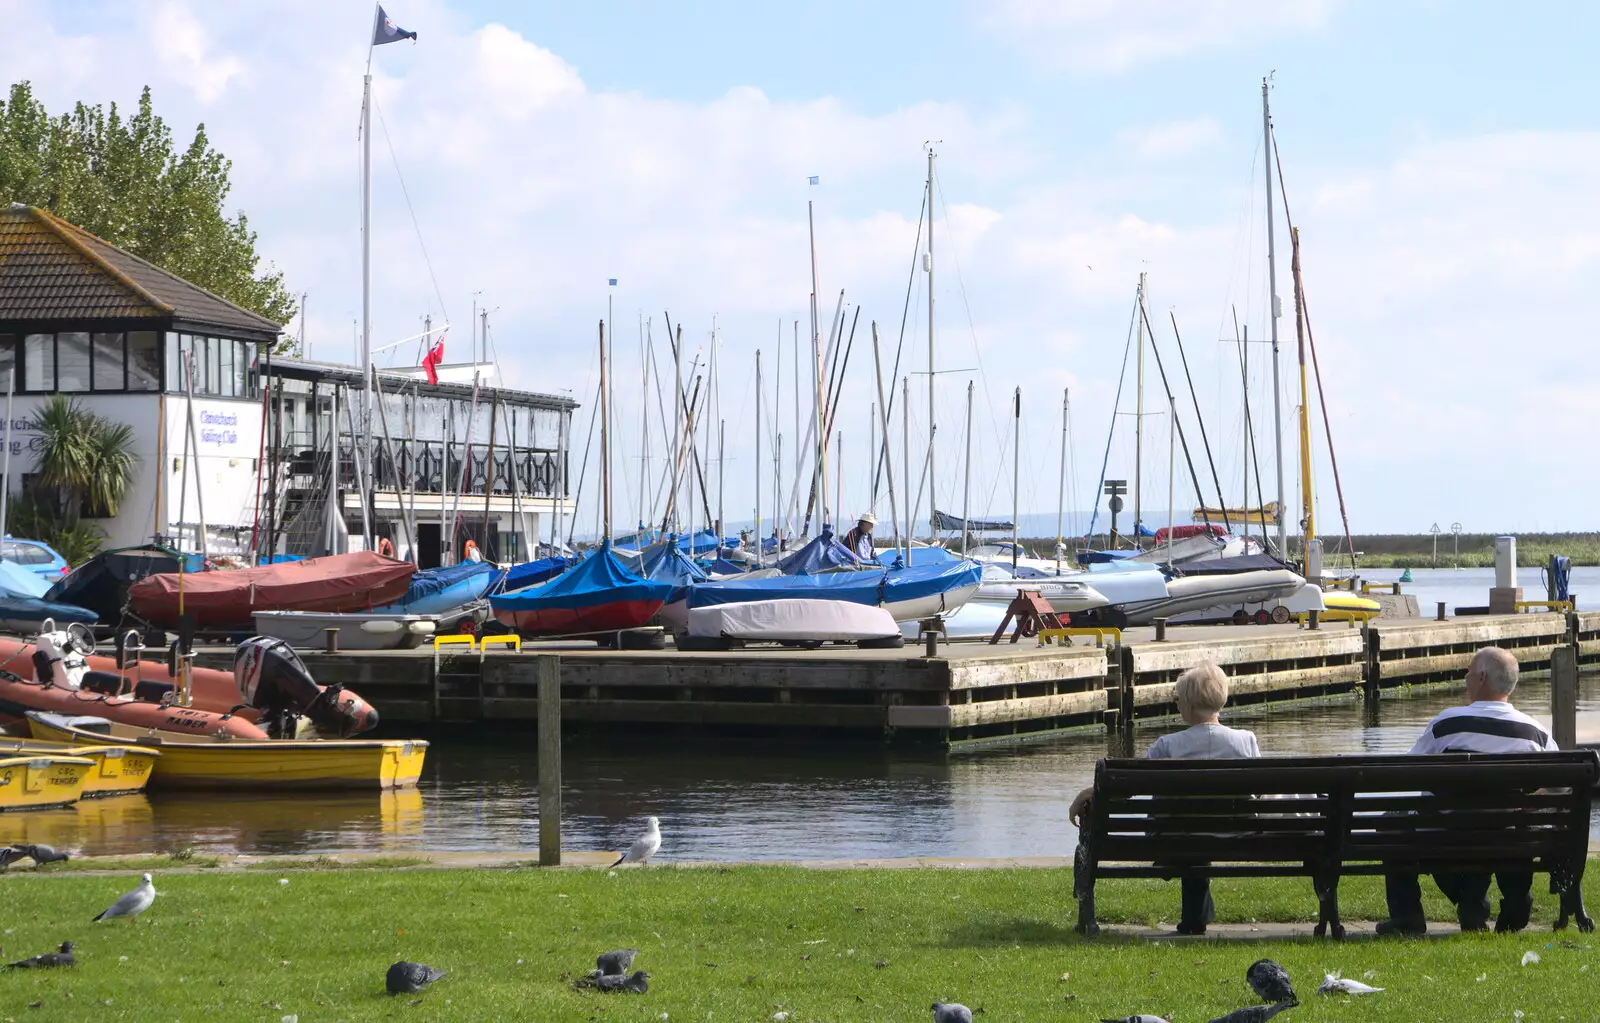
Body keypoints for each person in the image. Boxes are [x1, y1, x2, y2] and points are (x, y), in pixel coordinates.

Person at [1377, 646, 1557, 936]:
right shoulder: (1536, 733)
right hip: (1510, 839)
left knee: (1392, 823)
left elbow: (1407, 773)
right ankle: (1512, 905)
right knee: (1512, 826)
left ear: (1482, 677)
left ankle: (1409, 915)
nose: (1466, 677)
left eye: (1469, 672)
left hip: (1448, 837)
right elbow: (1559, 786)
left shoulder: (1447, 723)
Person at [1070, 661, 1260, 934]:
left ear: (1187, 705)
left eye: (1178, 699)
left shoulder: (1167, 746)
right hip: (1236, 837)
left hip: (1173, 837)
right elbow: (1259, 792)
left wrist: (1086, 795)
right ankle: (1195, 919)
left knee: (1189, 833)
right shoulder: (1246, 741)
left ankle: (1191, 912)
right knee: (1202, 835)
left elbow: (1125, 787)